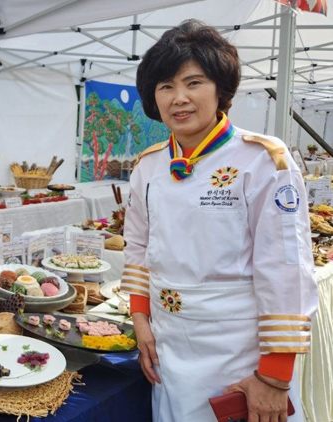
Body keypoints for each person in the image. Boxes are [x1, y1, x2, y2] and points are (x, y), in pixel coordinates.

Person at [123, 19, 318, 422]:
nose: (179, 98)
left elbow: (286, 270)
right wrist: (141, 322)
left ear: (220, 89)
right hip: (168, 346)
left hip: (240, 354)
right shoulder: (148, 166)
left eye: (193, 83)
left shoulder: (262, 159)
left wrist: (275, 377)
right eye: (166, 87)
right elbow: (139, 248)